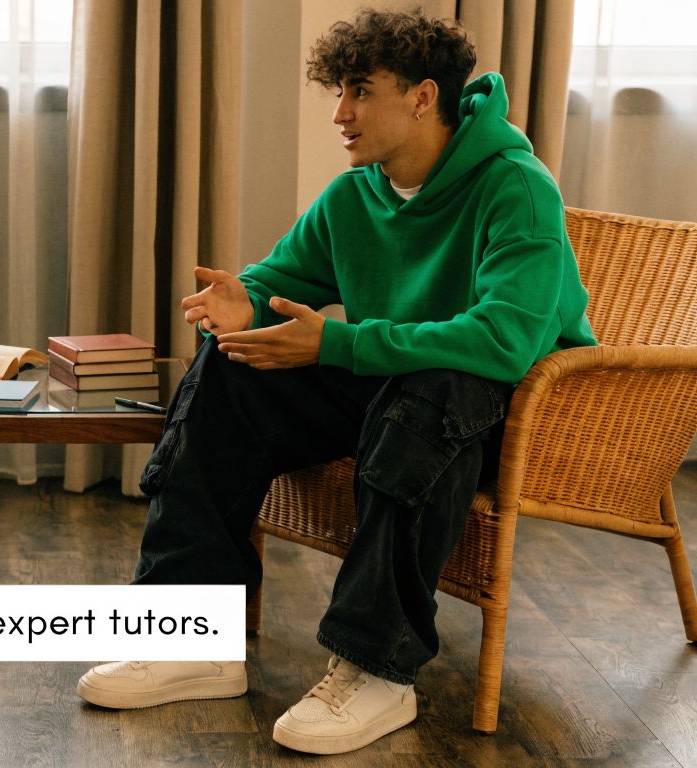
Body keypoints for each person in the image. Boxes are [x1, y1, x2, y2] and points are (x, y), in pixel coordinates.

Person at [75, 9, 596, 755]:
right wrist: (241, 304)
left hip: (506, 414)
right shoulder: (357, 194)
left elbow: (506, 340)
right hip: (394, 394)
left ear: (421, 96)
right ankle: (192, 637)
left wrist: (342, 342)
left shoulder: (516, 186)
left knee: (437, 386)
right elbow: (278, 280)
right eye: (337, 91)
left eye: (359, 91)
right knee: (233, 368)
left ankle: (375, 668)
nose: (339, 113)